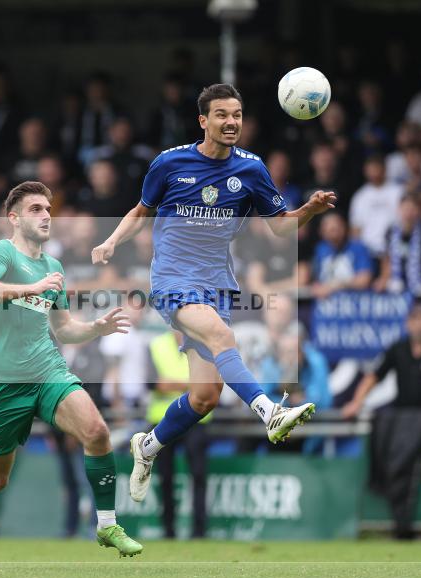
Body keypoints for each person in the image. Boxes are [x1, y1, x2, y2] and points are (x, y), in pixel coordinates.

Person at [91, 83, 335, 503]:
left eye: (237, 115)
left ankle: (146, 447)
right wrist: (112, 240)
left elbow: (280, 227)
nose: (231, 122)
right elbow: (141, 211)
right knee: (224, 338)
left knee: (205, 397)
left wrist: (308, 210)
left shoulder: (252, 169)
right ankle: (270, 412)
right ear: (203, 120)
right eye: (222, 114)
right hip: (172, 280)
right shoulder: (170, 163)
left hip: (217, 286)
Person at [0, 181, 143, 566]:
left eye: (48, 209)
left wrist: (96, 328)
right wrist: (30, 288)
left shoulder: (53, 267)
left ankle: (107, 524)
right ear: (14, 218)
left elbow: (64, 329)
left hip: (46, 370)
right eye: (35, 209)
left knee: (97, 432)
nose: (45, 216)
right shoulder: (1, 253)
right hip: (2, 382)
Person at [340, 303, 421, 539]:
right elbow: (374, 376)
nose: (419, 324)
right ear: (408, 323)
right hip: (401, 421)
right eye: (414, 319)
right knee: (395, 459)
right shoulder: (398, 349)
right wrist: (356, 402)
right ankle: (401, 523)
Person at [146, 329, 209, 539]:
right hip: (163, 417)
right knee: (165, 476)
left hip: (196, 419)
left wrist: (170, 384)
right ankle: (168, 529)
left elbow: (206, 384)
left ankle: (199, 530)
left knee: (198, 474)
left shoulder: (202, 344)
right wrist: (187, 385)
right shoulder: (156, 344)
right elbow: (151, 383)